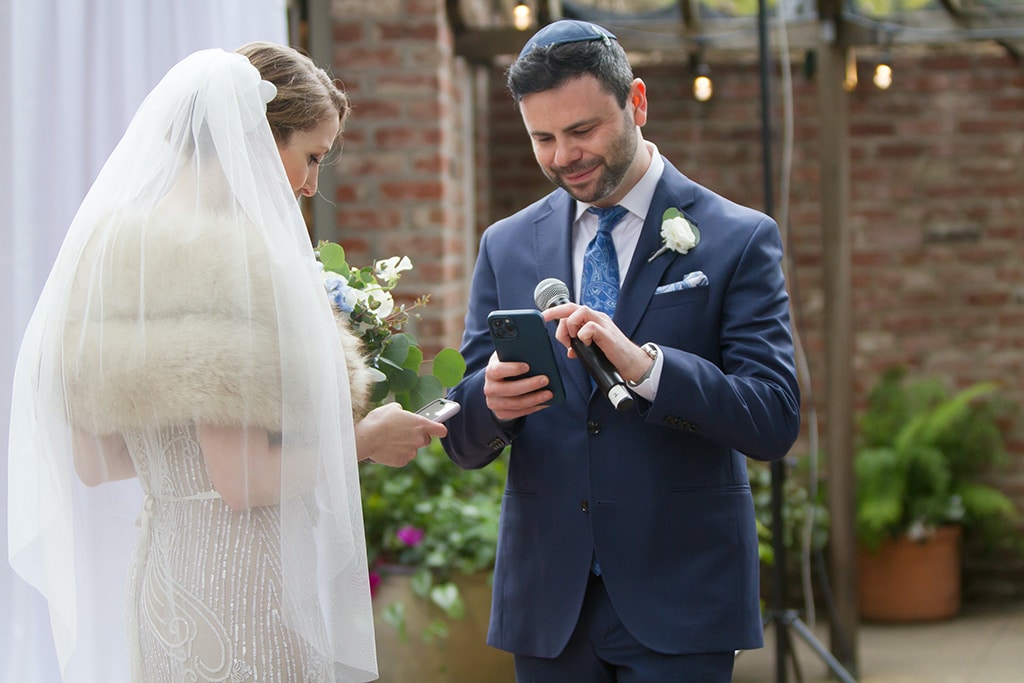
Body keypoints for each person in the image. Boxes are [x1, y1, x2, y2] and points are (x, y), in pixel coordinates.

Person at [8, 44, 444, 682]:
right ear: (260, 136)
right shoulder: (229, 263)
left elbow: (95, 461)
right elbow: (243, 481)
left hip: (164, 574)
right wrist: (365, 441)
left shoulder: (112, 251)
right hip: (241, 587)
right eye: (312, 156)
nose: (311, 184)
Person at [441, 19, 801, 683]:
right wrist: (486, 403)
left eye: (582, 131)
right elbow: (463, 440)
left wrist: (649, 370)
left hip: (682, 598)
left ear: (636, 101)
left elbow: (774, 417)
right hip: (549, 606)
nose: (563, 156)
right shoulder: (505, 245)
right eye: (542, 138)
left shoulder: (738, 238)